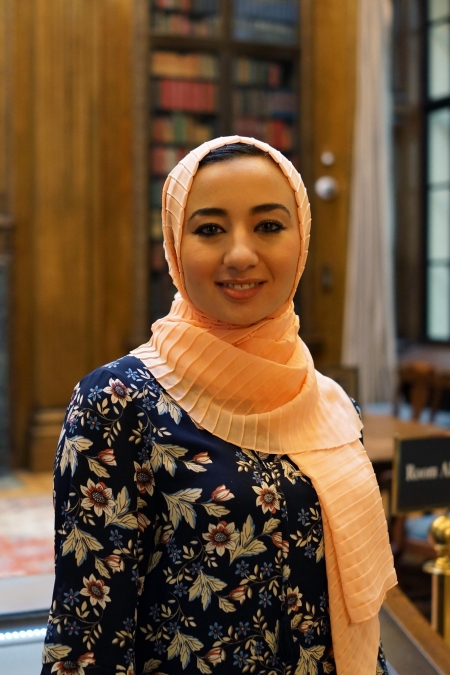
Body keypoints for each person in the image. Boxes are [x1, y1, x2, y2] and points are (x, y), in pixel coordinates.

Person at [41, 136, 396, 675]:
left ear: (300, 238)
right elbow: (87, 636)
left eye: (269, 226)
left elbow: (351, 607)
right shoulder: (116, 405)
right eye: (209, 229)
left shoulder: (331, 403)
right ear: (174, 244)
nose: (240, 254)